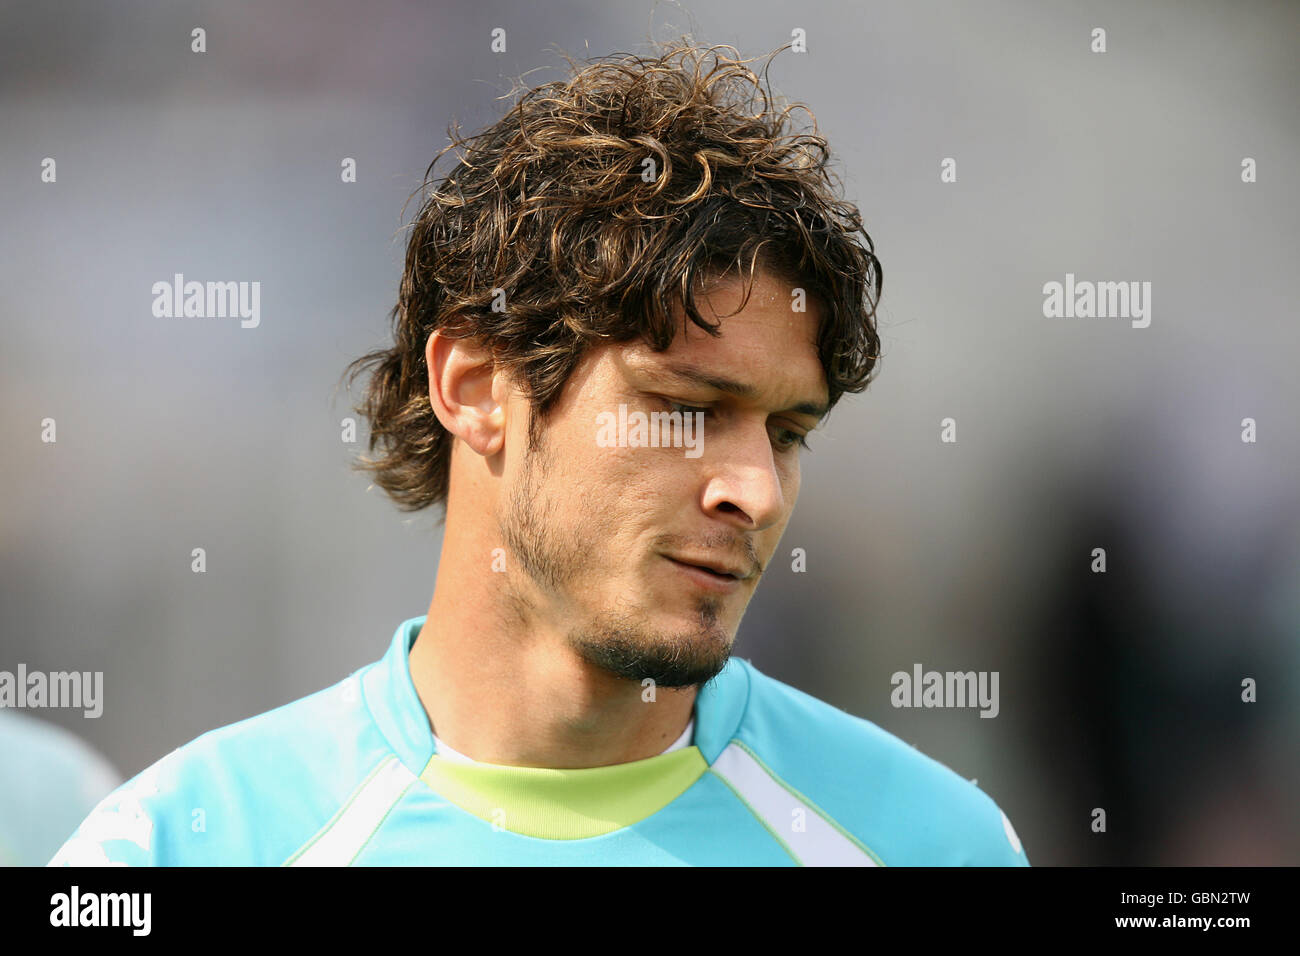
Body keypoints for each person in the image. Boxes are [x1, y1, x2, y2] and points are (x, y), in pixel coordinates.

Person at [50, 40, 1027, 866]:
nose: (756, 492)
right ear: (475, 389)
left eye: (787, 431)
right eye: (686, 408)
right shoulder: (173, 847)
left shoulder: (927, 842)